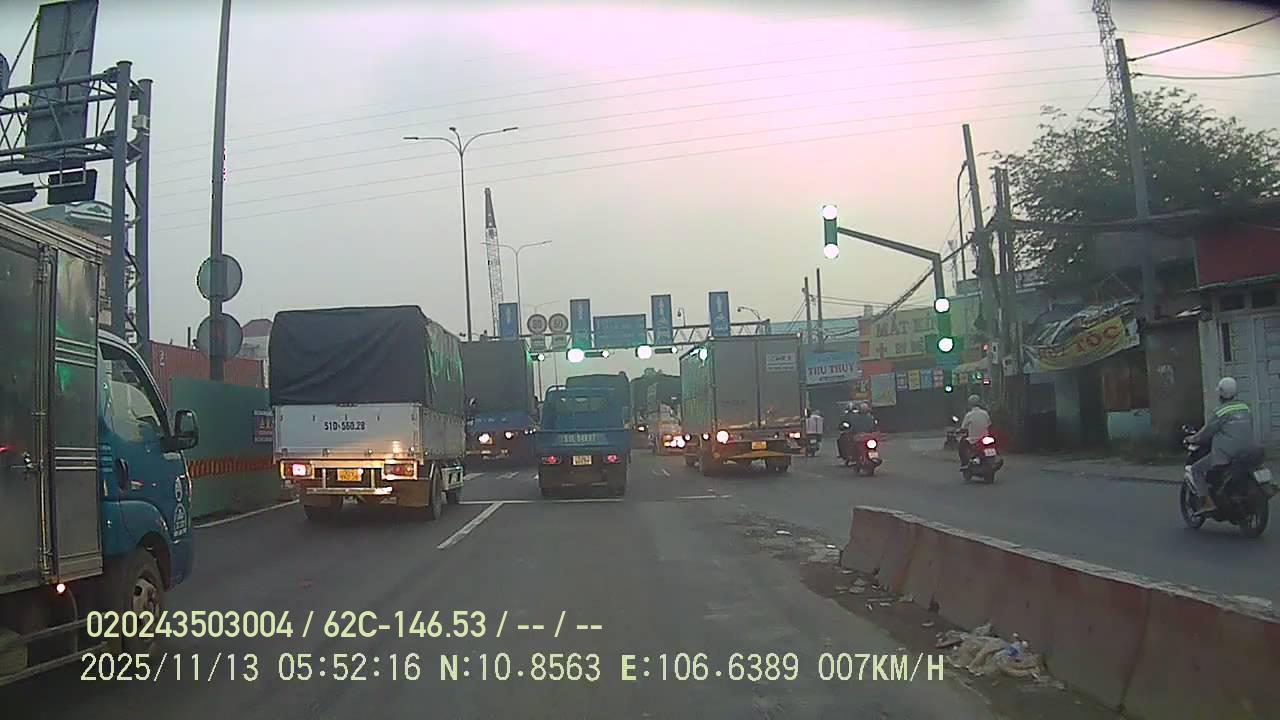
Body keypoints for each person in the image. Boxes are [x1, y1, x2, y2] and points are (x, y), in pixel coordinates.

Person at [1186, 377, 1258, 515]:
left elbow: (1206, 432)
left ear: (1221, 394)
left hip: (1227, 453)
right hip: (1248, 450)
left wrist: (1193, 439)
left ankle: (1208, 503)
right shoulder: (1245, 407)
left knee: (1196, 469)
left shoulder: (1220, 412)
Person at [958, 394, 991, 467]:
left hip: (973, 439)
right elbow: (989, 424)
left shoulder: (969, 415)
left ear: (970, 404)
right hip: (986, 439)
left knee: (961, 446)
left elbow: (963, 428)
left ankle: (964, 463)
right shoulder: (985, 413)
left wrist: (959, 431)